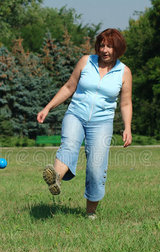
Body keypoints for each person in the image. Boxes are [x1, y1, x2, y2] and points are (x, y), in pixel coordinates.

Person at [37, 28, 133, 219]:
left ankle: (90, 212)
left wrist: (127, 127)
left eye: (110, 46)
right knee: (69, 145)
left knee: (96, 167)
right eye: (102, 45)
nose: (105, 50)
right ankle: (55, 178)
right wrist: (48, 107)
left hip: (102, 122)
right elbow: (69, 87)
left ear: (118, 49)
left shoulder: (124, 72)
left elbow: (126, 102)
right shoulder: (86, 61)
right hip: (76, 114)